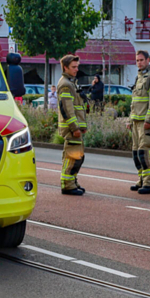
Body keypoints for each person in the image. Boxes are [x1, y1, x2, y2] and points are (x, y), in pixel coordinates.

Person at [130, 50, 150, 194]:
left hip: (145, 122)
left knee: (146, 152)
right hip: (136, 121)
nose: (139, 62)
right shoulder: (139, 76)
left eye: (141, 60)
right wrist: (130, 119)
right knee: (137, 154)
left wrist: (149, 120)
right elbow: (134, 101)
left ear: (148, 60)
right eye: (137, 60)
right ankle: (142, 179)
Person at [56, 55, 87, 195]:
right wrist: (75, 128)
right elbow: (67, 109)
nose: (76, 69)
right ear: (65, 67)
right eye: (73, 67)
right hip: (71, 128)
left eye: (77, 66)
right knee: (72, 156)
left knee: (77, 156)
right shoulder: (66, 84)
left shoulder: (70, 82)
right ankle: (68, 184)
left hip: (75, 127)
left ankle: (72, 181)